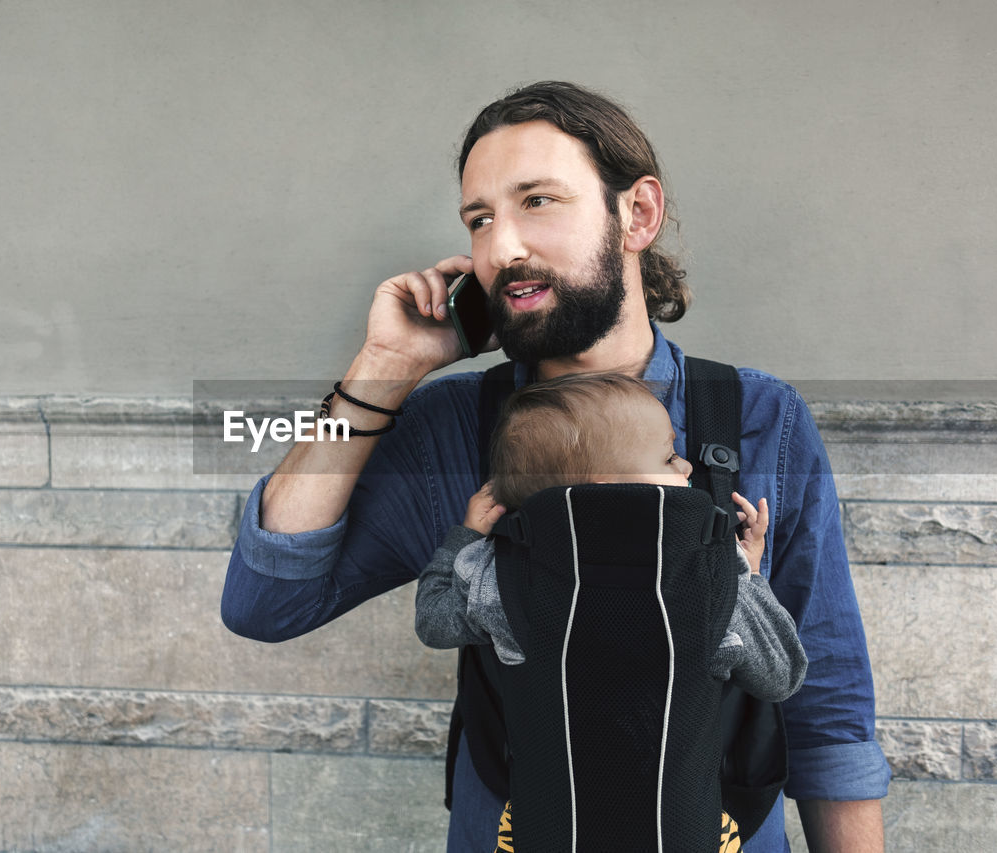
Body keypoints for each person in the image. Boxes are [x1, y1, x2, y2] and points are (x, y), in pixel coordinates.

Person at [221, 81, 889, 852]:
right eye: (480, 219)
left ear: (636, 213)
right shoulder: (454, 428)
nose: (502, 246)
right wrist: (382, 369)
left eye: (536, 201)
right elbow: (265, 604)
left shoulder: (760, 417)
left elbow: (828, 711)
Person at [414, 372, 808, 849]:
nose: (686, 467)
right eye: (668, 456)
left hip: (551, 832)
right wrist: (747, 573)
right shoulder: (710, 579)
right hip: (680, 833)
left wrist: (467, 537)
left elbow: (433, 620)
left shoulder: (501, 576)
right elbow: (781, 676)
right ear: (606, 488)